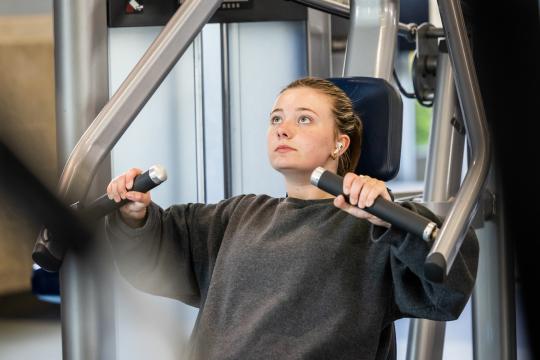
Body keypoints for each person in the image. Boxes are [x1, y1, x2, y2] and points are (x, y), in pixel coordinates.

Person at [105, 77, 478, 360]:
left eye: (304, 119)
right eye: (276, 118)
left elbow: (447, 292)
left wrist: (391, 221)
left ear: (339, 143)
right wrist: (136, 215)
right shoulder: (238, 215)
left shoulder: (374, 225)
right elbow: (151, 256)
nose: (283, 128)